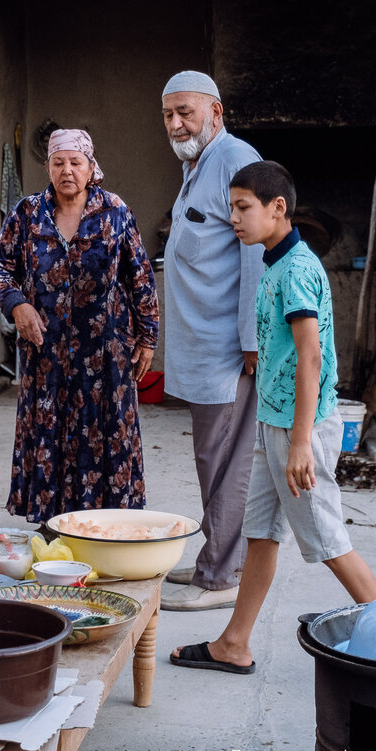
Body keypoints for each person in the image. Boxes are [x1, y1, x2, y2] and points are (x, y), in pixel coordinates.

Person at [170, 161, 376, 674]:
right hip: (276, 423)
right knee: (260, 534)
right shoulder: (274, 263)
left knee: (327, 540)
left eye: (243, 209)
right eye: (232, 208)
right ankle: (233, 644)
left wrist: (302, 442)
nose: (234, 219)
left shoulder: (297, 271)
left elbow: (311, 356)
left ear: (277, 208)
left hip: (297, 430)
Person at [0, 129, 159, 524]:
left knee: (105, 434)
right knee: (51, 433)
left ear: (91, 167)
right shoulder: (28, 214)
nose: (67, 171)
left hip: (106, 354)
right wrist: (17, 304)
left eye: (75, 162)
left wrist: (148, 337)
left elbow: (141, 277)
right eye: (58, 163)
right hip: (45, 353)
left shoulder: (114, 211)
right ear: (48, 167)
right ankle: (54, 529)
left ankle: (107, 527)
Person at [159, 70, 265, 611]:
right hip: (202, 345)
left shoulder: (236, 161)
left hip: (229, 348)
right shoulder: (197, 165)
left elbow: (256, 252)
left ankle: (221, 577)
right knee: (211, 455)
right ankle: (219, 555)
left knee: (225, 458)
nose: (177, 124)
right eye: (169, 114)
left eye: (187, 112)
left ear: (215, 113)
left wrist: (252, 340)